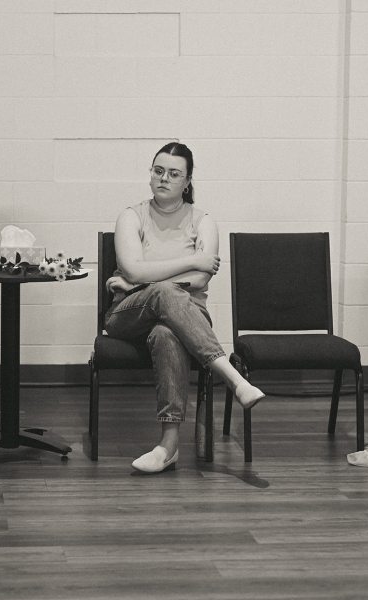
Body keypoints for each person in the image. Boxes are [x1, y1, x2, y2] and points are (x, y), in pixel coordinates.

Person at [104, 142, 266, 473]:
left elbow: (201, 280)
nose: (164, 178)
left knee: (167, 333)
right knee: (164, 292)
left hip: (184, 320)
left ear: (188, 181)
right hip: (128, 316)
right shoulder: (130, 216)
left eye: (174, 173)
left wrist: (145, 279)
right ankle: (233, 379)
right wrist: (189, 260)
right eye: (158, 170)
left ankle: (168, 447)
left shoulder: (203, 221)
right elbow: (135, 270)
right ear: (150, 175)